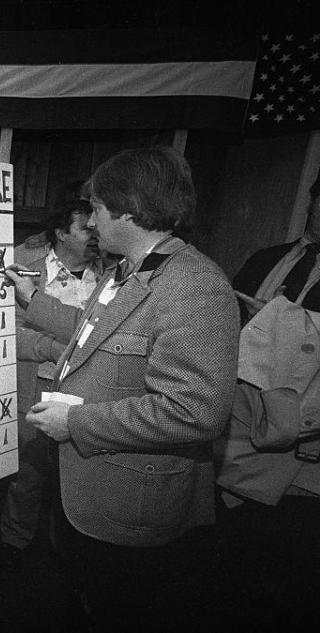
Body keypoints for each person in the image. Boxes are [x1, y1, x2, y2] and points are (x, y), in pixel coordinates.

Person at [4, 146, 239, 631]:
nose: (91, 222)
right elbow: (94, 336)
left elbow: (196, 412)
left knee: (119, 609)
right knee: (81, 597)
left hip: (132, 504)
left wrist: (75, 422)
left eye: (97, 208)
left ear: (127, 211)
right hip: (85, 493)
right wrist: (34, 299)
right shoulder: (126, 271)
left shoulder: (195, 286)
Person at [214, 167, 320, 630]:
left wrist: (279, 326)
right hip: (238, 432)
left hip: (300, 449)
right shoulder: (267, 258)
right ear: (313, 200)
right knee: (230, 559)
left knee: (291, 572)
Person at [0, 198, 102, 571]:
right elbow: (9, 333)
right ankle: (15, 541)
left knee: (77, 474)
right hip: (35, 386)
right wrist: (58, 348)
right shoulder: (26, 271)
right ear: (61, 233)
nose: (95, 235)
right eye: (85, 228)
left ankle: (67, 551)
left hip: (90, 393)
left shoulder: (111, 276)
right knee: (29, 471)